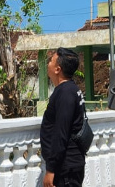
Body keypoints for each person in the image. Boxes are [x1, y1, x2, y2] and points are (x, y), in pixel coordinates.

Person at [40, 47, 86, 187]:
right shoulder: (71, 89)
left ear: (57, 69)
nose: (48, 63)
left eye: (51, 60)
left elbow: (61, 133)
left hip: (66, 169)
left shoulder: (65, 93)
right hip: (69, 166)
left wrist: (51, 169)